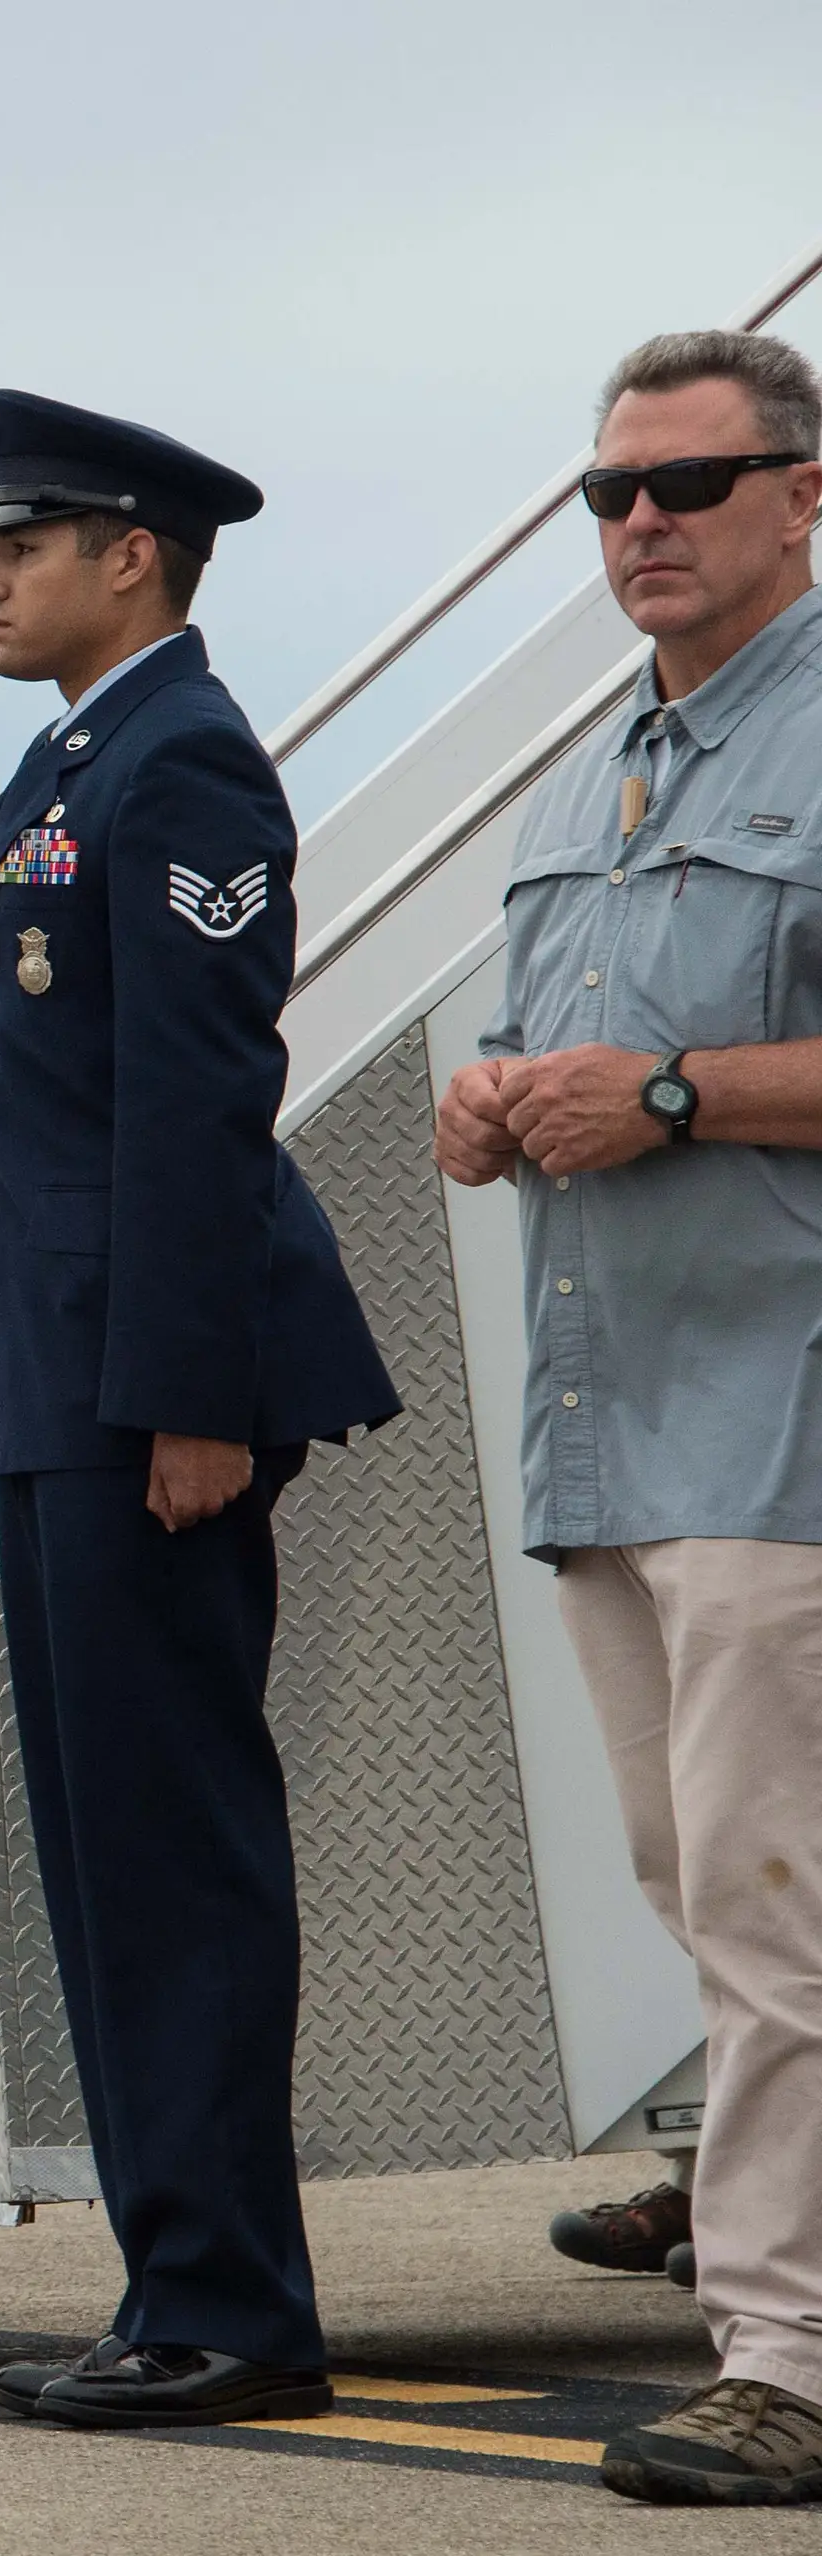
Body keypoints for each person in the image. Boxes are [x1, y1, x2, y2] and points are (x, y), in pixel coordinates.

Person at [0, 391, 399, 2431]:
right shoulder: (84, 754)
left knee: (171, 1849)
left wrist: (190, 1396)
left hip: (138, 1383)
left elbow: (199, 1096)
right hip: (60, 1368)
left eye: (18, 546)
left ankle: (233, 2307)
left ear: (131, 557)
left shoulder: (187, 762)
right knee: (101, 1852)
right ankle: (179, 2282)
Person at [433, 328, 822, 2510]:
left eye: (689, 482)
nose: (642, 523)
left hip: (784, 1420)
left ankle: (789, 2358)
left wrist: (671, 1092)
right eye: (610, 492)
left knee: (779, 1913)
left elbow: (675, 1082)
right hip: (613, 1428)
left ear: (806, 496)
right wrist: (494, 1107)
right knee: (706, 1890)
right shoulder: (592, 774)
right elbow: (562, 1057)